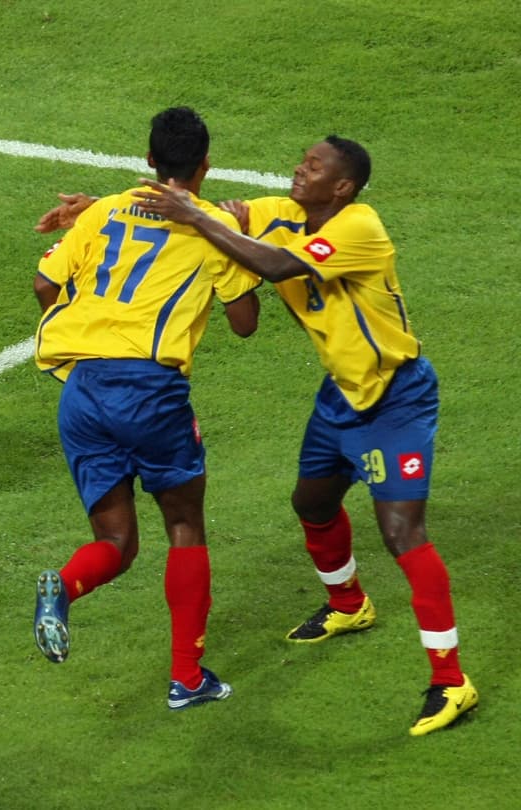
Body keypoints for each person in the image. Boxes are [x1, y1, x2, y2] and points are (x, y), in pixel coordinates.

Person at [121, 135, 476, 735]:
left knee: (402, 532)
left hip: (396, 399)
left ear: (342, 187)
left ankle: (451, 682)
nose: (298, 169)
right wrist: (103, 211)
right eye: (303, 160)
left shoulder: (360, 226)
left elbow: (277, 264)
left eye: (314, 167)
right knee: (311, 502)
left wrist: (194, 217)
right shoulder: (287, 212)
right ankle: (348, 605)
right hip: (341, 394)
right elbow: (213, 210)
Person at [30, 107, 261, 711]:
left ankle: (66, 585)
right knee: (184, 525)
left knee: (115, 540)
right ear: (206, 165)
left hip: (82, 391)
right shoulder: (212, 227)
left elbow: (43, 284)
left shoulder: (104, 208)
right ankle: (187, 678)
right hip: (151, 392)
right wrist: (241, 245)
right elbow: (244, 324)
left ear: (150, 159)